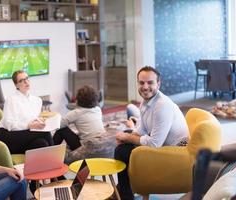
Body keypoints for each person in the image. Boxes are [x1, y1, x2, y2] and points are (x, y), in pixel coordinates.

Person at [114, 66, 189, 200]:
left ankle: (124, 193)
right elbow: (142, 130)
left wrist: (127, 137)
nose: (145, 86)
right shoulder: (146, 101)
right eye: (142, 83)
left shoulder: (162, 105)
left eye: (150, 82)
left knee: (121, 151)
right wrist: (127, 136)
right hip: (162, 144)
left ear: (158, 84)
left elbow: (154, 144)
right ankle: (124, 189)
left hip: (175, 152)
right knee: (125, 141)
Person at [0, 70, 53, 193]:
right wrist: (30, 125)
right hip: (6, 135)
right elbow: (10, 125)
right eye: (22, 80)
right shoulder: (11, 100)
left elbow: (31, 121)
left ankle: (33, 184)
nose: (26, 81)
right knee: (45, 134)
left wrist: (39, 121)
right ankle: (56, 175)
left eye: (27, 78)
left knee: (41, 143)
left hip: (23, 137)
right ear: (16, 85)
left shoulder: (37, 101)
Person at [53, 85, 105, 162]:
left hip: (86, 146)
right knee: (78, 133)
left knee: (62, 130)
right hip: (102, 142)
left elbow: (58, 125)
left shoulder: (76, 113)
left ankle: (49, 151)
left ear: (78, 100)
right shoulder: (98, 109)